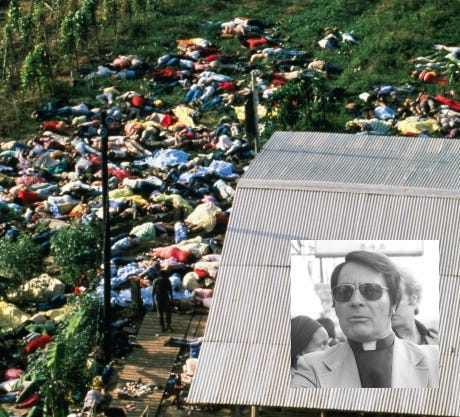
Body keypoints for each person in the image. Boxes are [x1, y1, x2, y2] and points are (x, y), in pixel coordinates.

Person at [291, 250, 439, 388]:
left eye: (371, 291)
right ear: (335, 305)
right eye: (344, 292)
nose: (356, 301)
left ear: (394, 303)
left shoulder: (436, 361)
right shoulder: (312, 368)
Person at [392, 268, 439, 345]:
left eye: (395, 300)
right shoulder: (378, 345)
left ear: (413, 300)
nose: (390, 308)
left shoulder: (436, 339)